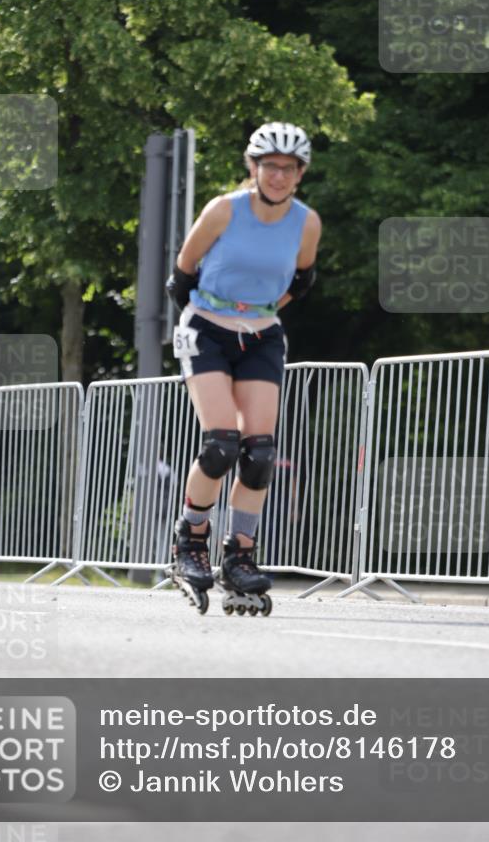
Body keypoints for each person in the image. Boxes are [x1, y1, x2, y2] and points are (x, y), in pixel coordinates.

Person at [165, 121, 322, 614]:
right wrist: (213, 322)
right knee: (220, 446)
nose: (279, 175)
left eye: (289, 168)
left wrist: (256, 314)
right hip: (206, 331)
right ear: (252, 168)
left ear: (300, 174)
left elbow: (303, 278)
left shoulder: (307, 222)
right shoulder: (223, 210)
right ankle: (190, 540)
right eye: (270, 166)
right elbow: (181, 276)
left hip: (261, 335)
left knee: (258, 454)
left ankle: (240, 555)